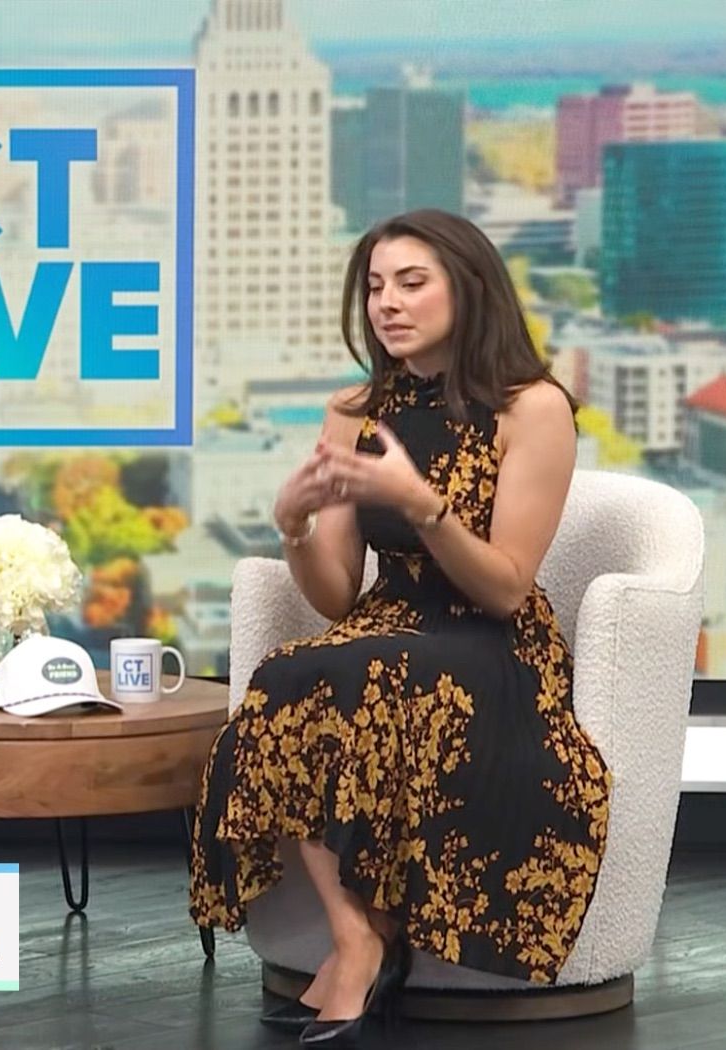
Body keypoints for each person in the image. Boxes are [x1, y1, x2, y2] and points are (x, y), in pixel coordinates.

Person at [188, 210, 612, 1047]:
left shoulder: (532, 408)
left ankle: (366, 953)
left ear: (469, 287)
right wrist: (293, 528)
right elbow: (341, 596)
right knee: (289, 674)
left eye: (411, 283)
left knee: (363, 673)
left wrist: (425, 506)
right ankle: (360, 941)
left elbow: (503, 586)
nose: (388, 303)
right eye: (376, 287)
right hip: (386, 626)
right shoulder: (355, 410)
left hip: (493, 644)